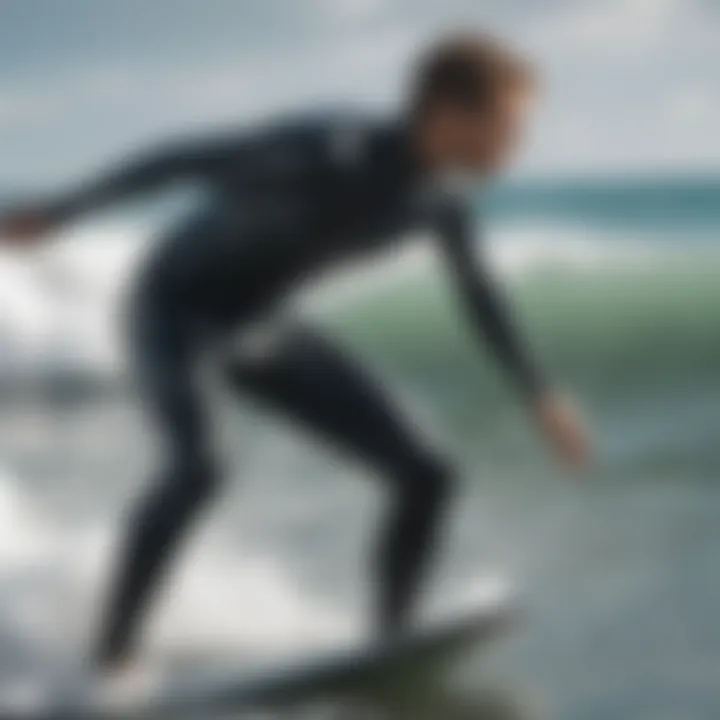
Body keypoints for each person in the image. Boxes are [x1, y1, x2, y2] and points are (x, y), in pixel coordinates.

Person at [0, 33, 591, 672]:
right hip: (173, 308)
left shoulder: (439, 199)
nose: (518, 144)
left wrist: (539, 392)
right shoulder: (327, 151)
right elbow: (179, 160)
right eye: (508, 125)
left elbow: (479, 294)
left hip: (259, 323)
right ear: (449, 113)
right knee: (200, 470)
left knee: (428, 475)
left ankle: (389, 641)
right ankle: (113, 656)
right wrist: (65, 210)